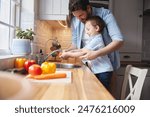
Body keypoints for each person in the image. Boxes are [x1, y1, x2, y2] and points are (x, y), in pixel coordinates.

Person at [61, 0, 124, 90]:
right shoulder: (75, 20)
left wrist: (96, 54)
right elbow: (75, 44)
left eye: (81, 15)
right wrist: (67, 51)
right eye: (76, 16)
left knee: (104, 96)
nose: (78, 19)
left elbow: (119, 41)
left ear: (88, 8)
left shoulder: (105, 14)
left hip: (106, 67)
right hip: (89, 66)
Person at [62, 16, 114, 89]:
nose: (86, 32)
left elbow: (82, 53)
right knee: (98, 91)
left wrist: (68, 54)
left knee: (102, 92)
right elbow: (82, 50)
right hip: (100, 70)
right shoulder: (93, 39)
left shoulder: (97, 40)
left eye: (88, 29)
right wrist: (70, 51)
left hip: (104, 71)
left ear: (96, 28)